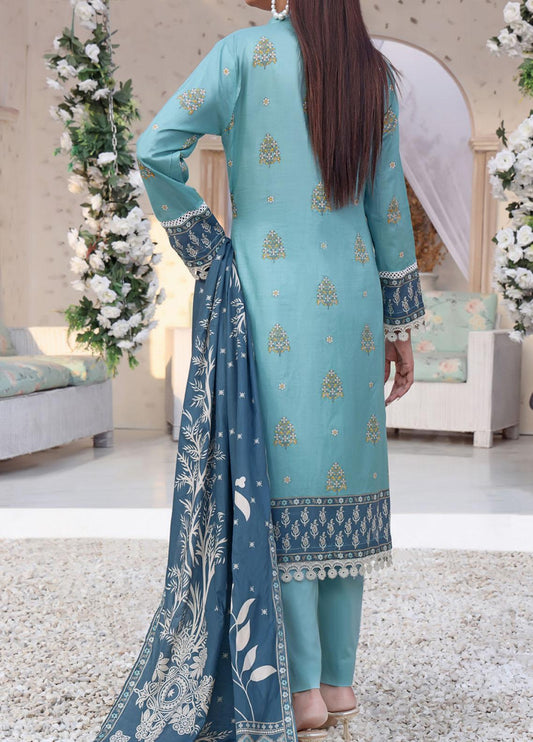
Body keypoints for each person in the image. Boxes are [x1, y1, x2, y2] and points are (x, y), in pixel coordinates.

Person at [131, 1, 425, 740]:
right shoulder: (374, 72)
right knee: (343, 478)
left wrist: (208, 248)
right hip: (353, 297)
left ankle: (298, 691)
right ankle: (339, 682)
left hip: (268, 294)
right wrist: (400, 325)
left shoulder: (241, 54)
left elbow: (154, 147)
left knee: (285, 482)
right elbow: (389, 206)